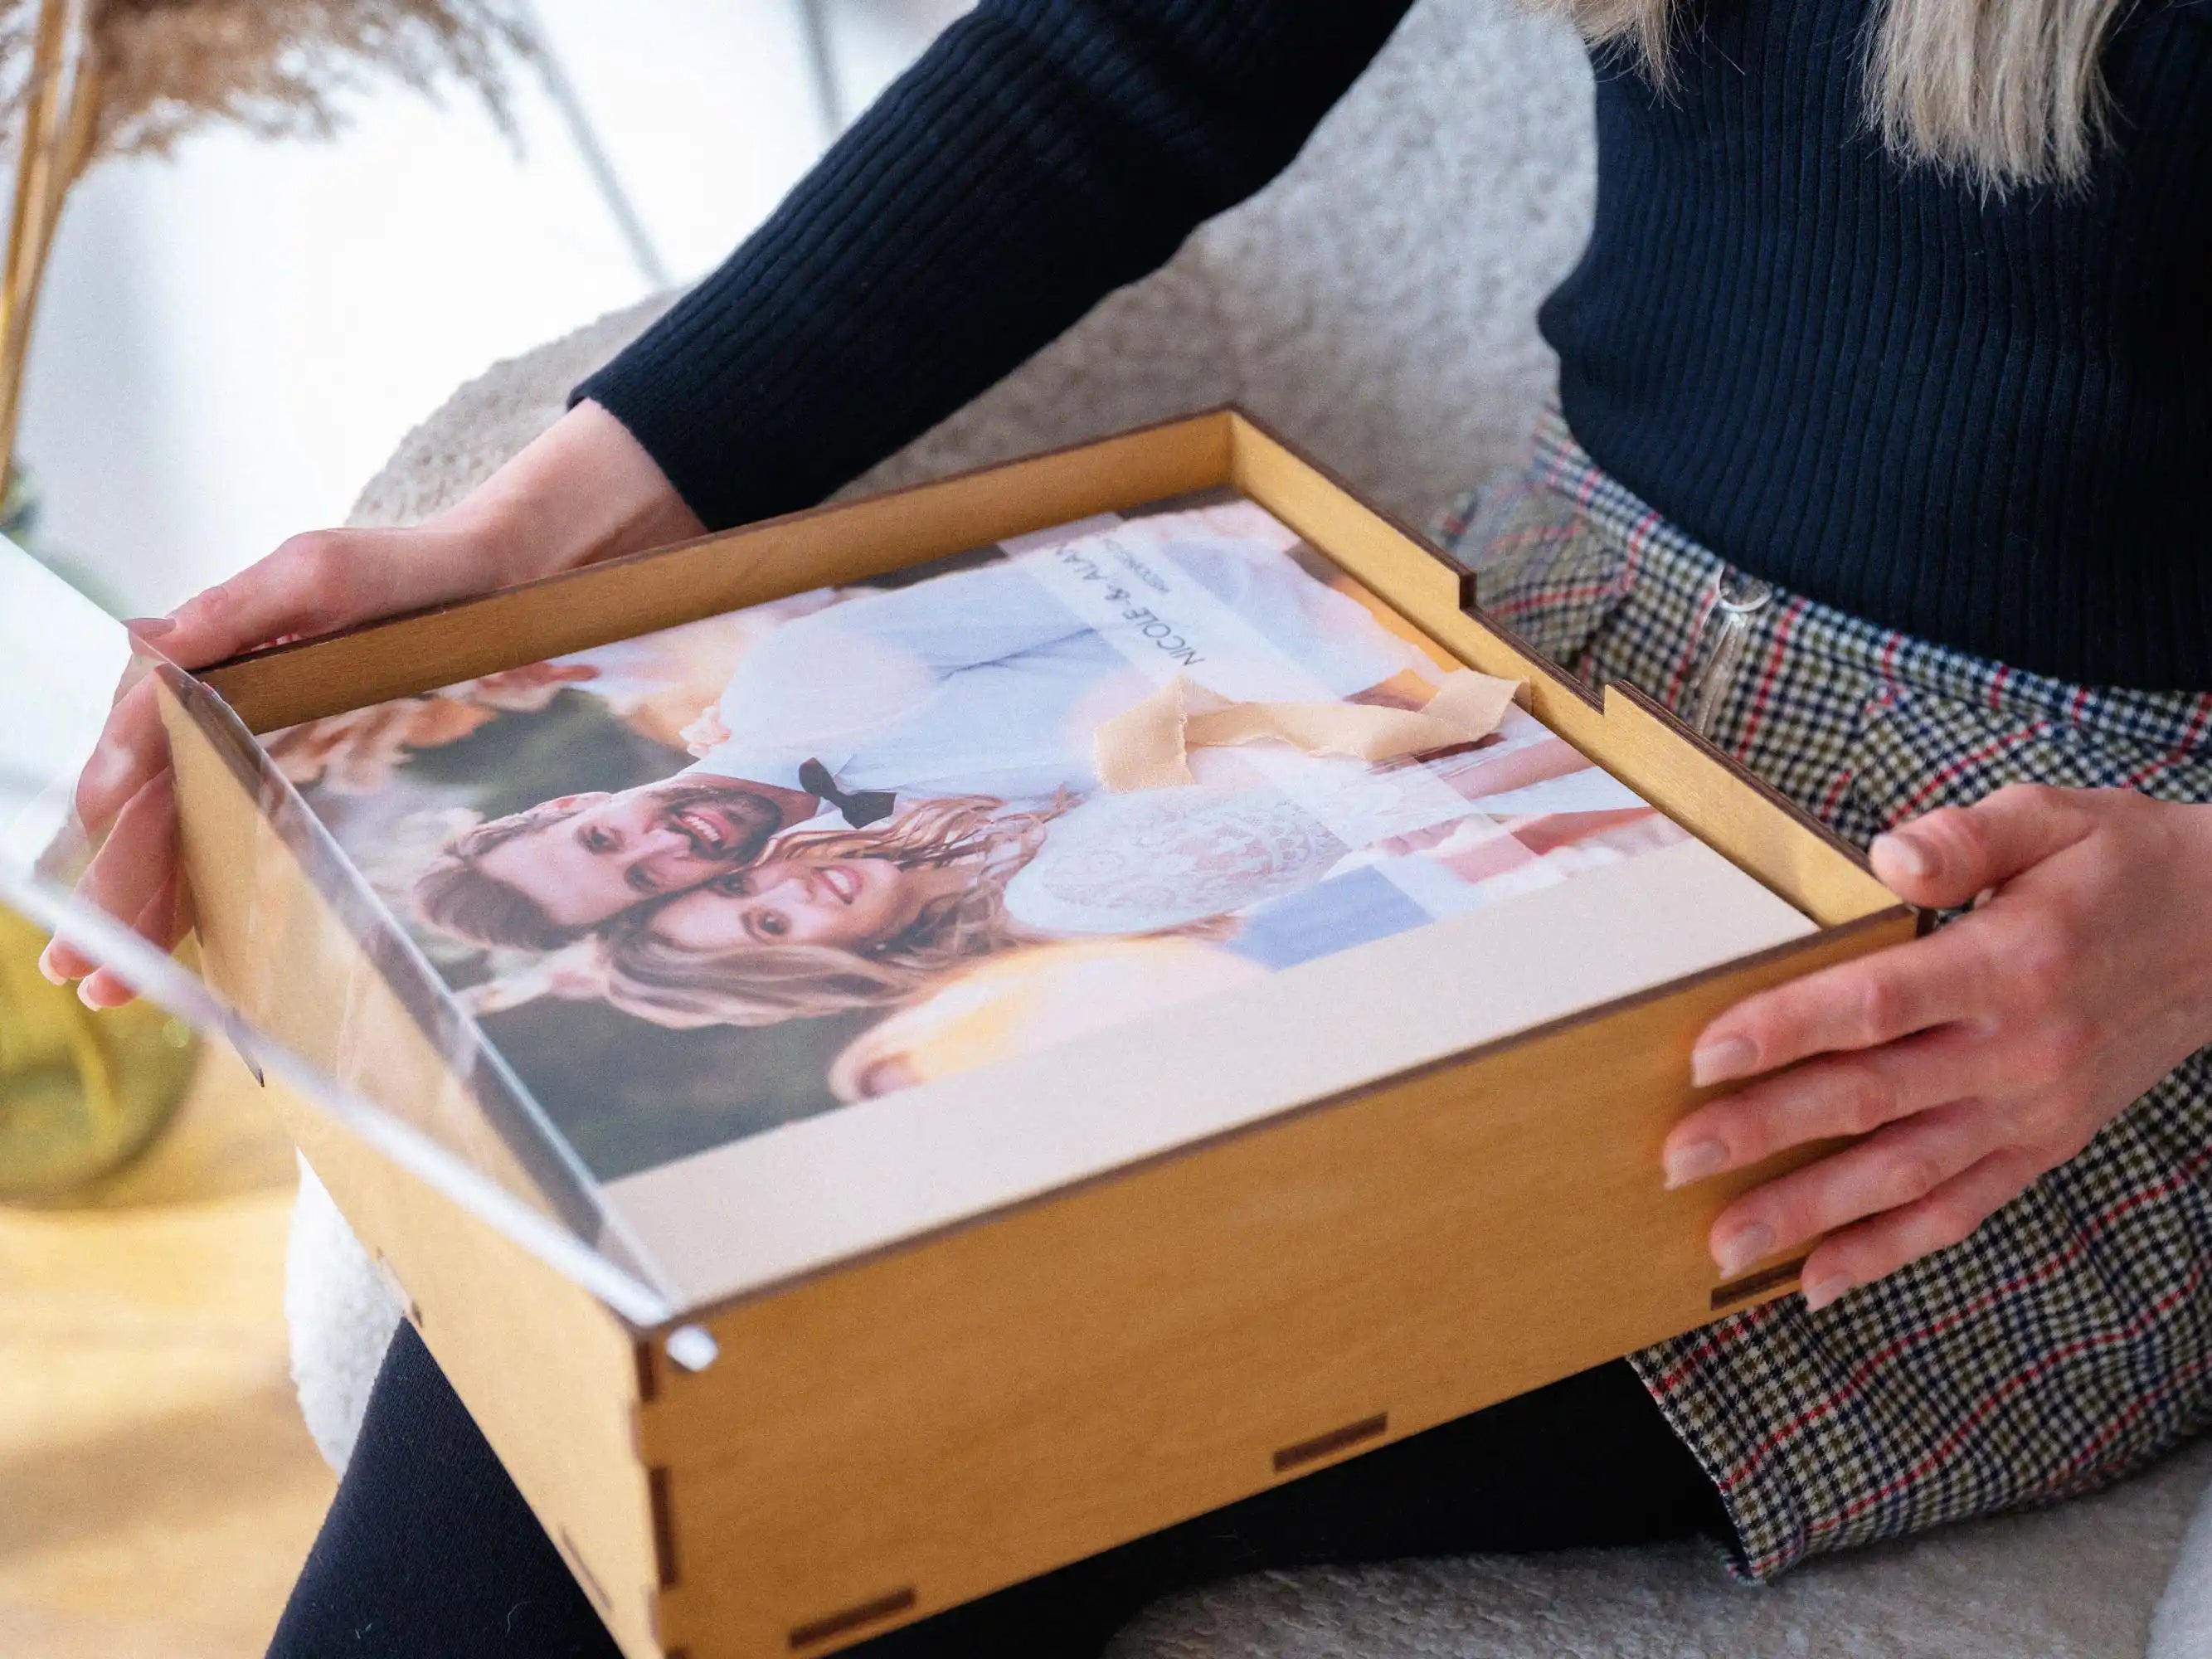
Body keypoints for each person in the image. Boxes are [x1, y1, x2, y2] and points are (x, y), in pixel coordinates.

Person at [41, 0, 2212, 1652]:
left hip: (2064, 952)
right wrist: (533, 534)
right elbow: (1132, 54)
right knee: (635, 1356)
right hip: (1528, 655)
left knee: (839, 1428)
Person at [407, 511, 1427, 950]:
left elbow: (1179, 571)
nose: (670, 843)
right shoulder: (905, 861)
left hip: (1381, 633)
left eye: (605, 836)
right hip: (1420, 766)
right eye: (644, 877)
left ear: (572, 801)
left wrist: (1374, 702)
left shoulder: (797, 680)